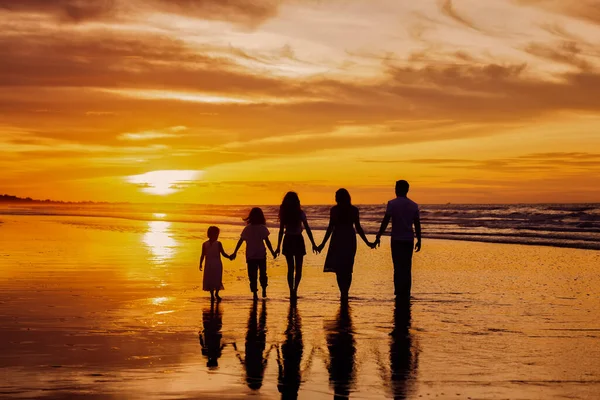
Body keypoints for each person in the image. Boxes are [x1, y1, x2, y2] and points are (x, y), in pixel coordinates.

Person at [318, 189, 375, 300]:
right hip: (349, 238)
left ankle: (343, 292)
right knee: (347, 268)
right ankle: (345, 292)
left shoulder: (334, 210)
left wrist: (322, 244)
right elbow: (358, 228)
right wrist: (367, 242)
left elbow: (330, 228)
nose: (335, 198)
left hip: (338, 238)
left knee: (340, 268)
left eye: (336, 196)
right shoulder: (353, 210)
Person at [374, 180, 422, 301]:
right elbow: (417, 224)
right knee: (407, 267)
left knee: (397, 267)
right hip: (408, 239)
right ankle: (406, 292)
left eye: (396, 188)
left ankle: (398, 291)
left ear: (398, 189)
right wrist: (419, 239)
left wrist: (379, 235)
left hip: (396, 239)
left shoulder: (392, 204)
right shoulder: (413, 205)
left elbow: (386, 220)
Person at [275, 192, 318, 300]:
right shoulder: (300, 213)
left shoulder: (284, 213)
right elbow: (307, 229)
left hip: (288, 239)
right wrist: (313, 243)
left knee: (290, 268)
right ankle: (295, 289)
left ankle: (291, 291)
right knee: (298, 269)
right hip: (298, 239)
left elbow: (281, 231)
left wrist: (278, 246)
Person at [232, 208, 277, 300]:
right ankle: (257, 292)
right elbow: (267, 241)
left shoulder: (249, 228)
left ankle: (260, 291)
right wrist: (235, 251)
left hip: (253, 255)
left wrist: (235, 252)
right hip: (258, 255)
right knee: (259, 274)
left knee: (255, 275)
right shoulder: (261, 228)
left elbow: (241, 241)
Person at [199, 226, 232, 302]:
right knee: (209, 279)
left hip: (217, 264)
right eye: (216, 234)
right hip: (208, 264)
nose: (217, 236)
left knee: (217, 278)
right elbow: (202, 255)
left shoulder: (218, 244)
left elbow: (223, 253)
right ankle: (212, 295)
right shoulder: (205, 244)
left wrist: (229, 257)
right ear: (210, 234)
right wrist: (200, 263)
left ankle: (216, 293)